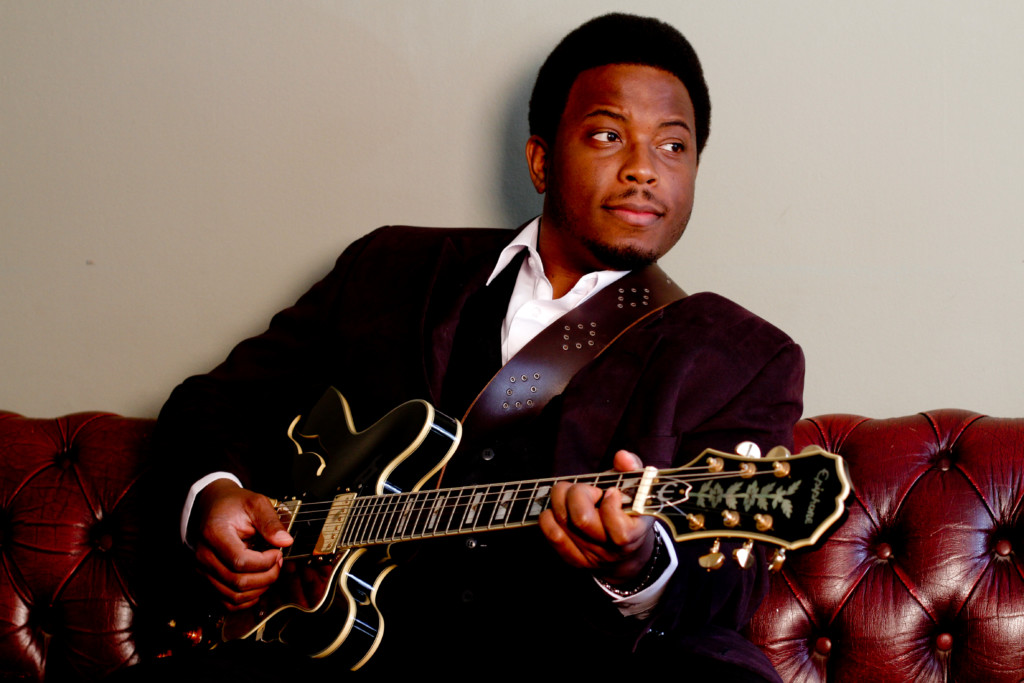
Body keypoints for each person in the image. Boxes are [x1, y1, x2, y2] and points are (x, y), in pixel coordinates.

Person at [142, 12, 802, 682]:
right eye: (608, 135)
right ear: (541, 159)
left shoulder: (744, 356)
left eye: (673, 146)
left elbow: (731, 580)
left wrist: (640, 563)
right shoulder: (389, 267)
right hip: (332, 654)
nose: (643, 170)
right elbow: (215, 403)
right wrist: (214, 498)